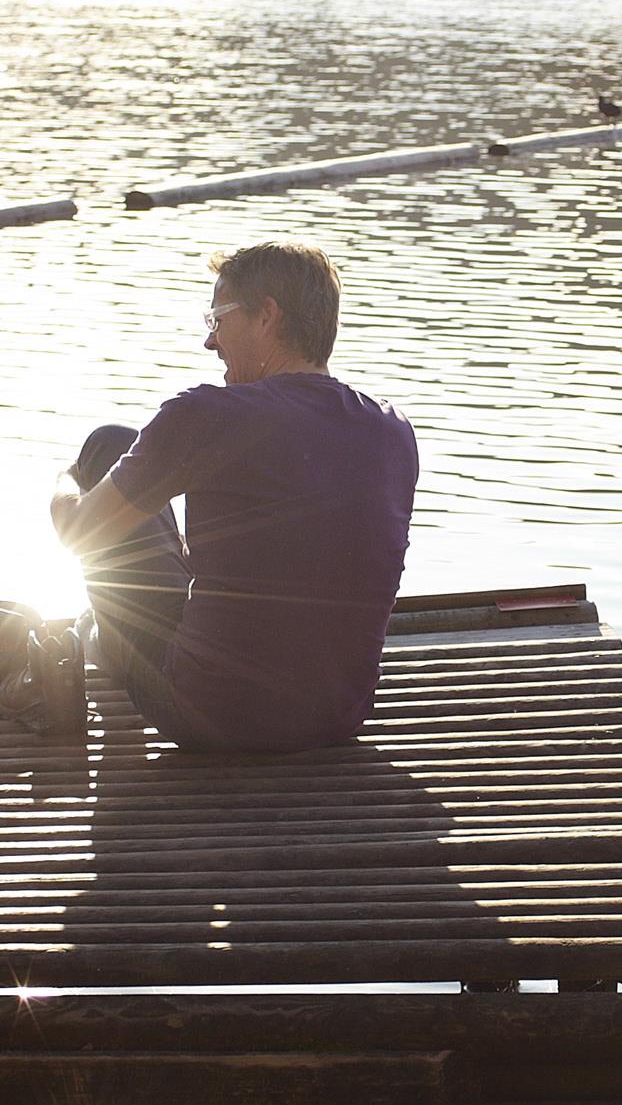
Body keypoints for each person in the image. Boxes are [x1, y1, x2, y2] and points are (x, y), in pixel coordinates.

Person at [50, 240, 418, 753]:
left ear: (266, 316)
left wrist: (65, 482)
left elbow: (78, 532)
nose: (210, 342)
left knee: (106, 446)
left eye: (218, 319)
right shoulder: (392, 429)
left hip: (213, 716)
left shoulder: (207, 415)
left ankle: (99, 639)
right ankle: (100, 637)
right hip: (336, 718)